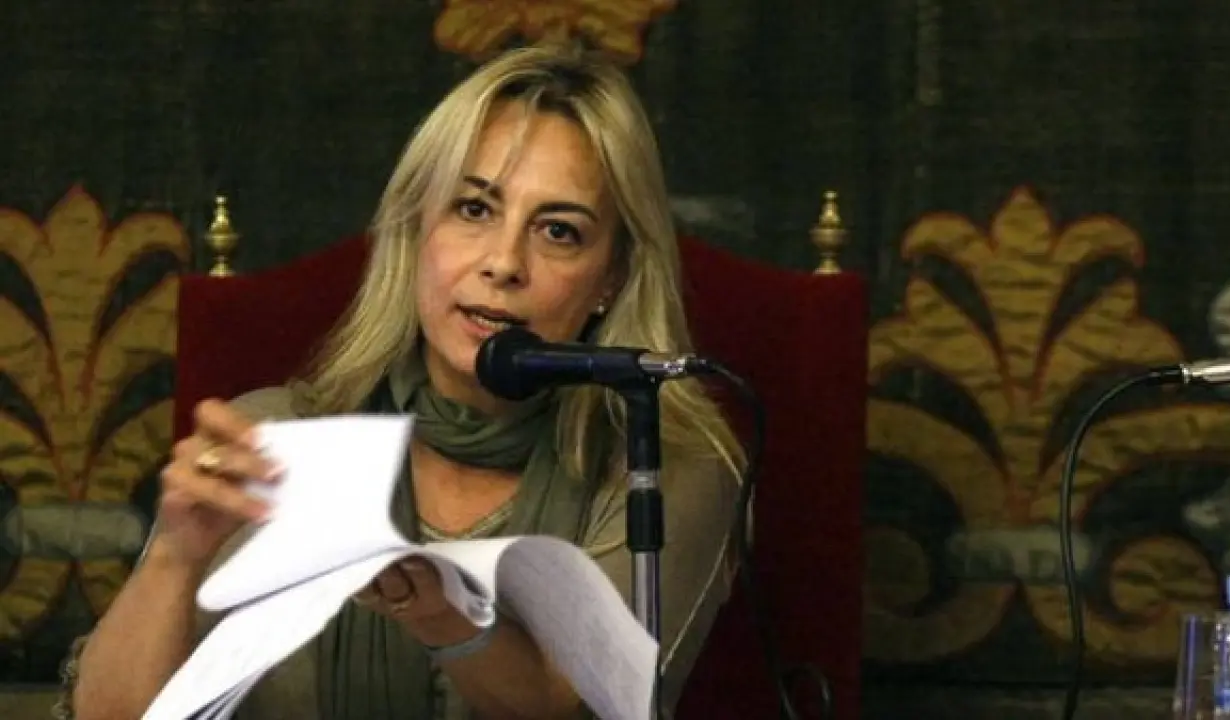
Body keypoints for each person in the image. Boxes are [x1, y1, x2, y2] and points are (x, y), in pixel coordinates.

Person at [58, 42, 745, 720]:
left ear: (612, 277)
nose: (504, 262)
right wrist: (176, 556)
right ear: (417, 227)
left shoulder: (665, 465)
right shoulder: (271, 437)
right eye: (474, 209)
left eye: (558, 231)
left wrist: (442, 610)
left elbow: (582, 709)